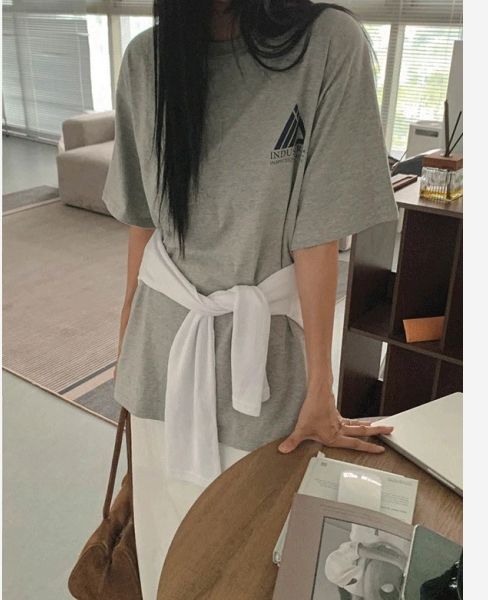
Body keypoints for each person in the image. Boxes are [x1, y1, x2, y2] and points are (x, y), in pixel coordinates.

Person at [102, 1, 399, 597]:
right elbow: (143, 224)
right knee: (164, 561)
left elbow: (318, 238)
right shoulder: (146, 59)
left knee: (250, 570)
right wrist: (127, 345)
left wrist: (320, 388)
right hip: (161, 358)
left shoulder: (328, 45)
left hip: (263, 372)